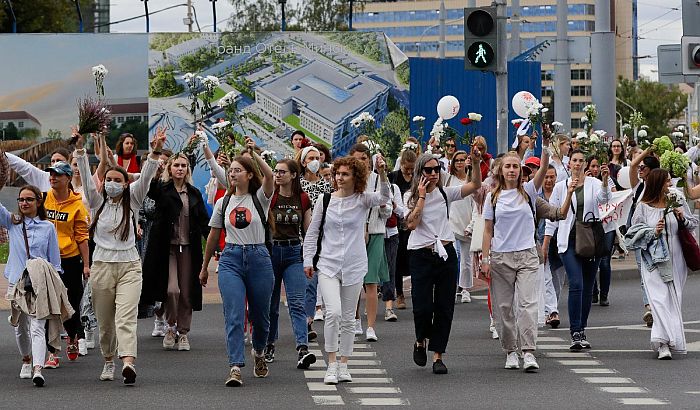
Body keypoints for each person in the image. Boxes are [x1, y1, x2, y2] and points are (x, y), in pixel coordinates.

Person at [74, 130, 164, 384]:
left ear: (125, 184)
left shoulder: (133, 199)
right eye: (108, 178)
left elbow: (146, 177)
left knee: (125, 317)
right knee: (105, 324)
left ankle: (128, 363)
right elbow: (86, 177)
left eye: (118, 179)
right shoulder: (95, 200)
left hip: (129, 267)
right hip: (102, 266)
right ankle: (108, 360)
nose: (112, 182)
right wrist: (81, 150)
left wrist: (155, 152)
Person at [302, 155, 390, 384]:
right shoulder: (325, 200)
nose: (339, 178)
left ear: (356, 177)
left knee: (350, 318)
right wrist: (308, 260)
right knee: (333, 312)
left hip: (354, 265)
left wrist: (381, 173)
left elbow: (384, 197)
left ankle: (343, 363)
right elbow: (312, 232)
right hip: (328, 264)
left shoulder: (362, 199)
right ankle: (331, 363)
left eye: (345, 174)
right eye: (337, 174)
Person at [200, 137, 275, 387]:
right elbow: (213, 236)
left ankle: (260, 352)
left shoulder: (260, 198)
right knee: (234, 314)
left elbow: (270, 176)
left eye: (237, 170)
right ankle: (235, 366)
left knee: (260, 316)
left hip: (259, 258)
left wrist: (254, 155)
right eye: (230, 170)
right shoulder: (224, 202)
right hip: (231, 258)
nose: (232, 174)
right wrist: (204, 267)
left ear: (249, 175)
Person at [404, 150, 482, 374]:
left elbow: (474, 185)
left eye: (437, 169)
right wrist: (421, 197)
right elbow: (411, 224)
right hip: (421, 254)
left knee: (444, 306)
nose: (434, 174)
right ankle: (420, 340)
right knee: (422, 306)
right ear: (420, 172)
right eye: (428, 170)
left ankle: (438, 355)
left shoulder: (447, 193)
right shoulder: (409, 197)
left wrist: (475, 163)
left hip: (446, 253)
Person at [481, 138, 552, 372]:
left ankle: (529, 351)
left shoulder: (529, 191)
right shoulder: (492, 197)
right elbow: (488, 230)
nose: (512, 170)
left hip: (527, 255)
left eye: (516, 166)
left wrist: (546, 145)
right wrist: (485, 258)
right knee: (504, 307)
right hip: (501, 257)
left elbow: (543, 168)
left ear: (521, 170)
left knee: (528, 304)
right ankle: (511, 350)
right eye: (508, 166)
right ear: (501, 171)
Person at [141, 150, 210, 352]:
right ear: (170, 169)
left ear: (188, 169)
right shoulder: (163, 189)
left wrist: (215, 245)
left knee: (187, 292)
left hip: (189, 248)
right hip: (167, 248)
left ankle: (184, 332)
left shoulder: (194, 193)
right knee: (172, 290)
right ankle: (170, 327)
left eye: (183, 166)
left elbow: (204, 222)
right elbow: (150, 191)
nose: (180, 169)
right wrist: (155, 172)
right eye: (176, 165)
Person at [626, 169, 697, 359]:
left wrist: (681, 217)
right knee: (658, 300)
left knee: (673, 299)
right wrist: (653, 231)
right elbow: (634, 233)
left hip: (677, 258)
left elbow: (692, 224)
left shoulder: (677, 199)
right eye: (667, 182)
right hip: (653, 260)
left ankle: (667, 340)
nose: (670, 185)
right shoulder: (643, 206)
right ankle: (663, 343)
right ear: (658, 184)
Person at [545, 149, 611, 350]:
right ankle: (574, 332)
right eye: (574, 160)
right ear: (569, 162)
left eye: (581, 161)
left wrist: (606, 181)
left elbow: (604, 200)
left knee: (588, 286)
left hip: (591, 240)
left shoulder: (594, 184)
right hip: (568, 242)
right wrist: (546, 242)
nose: (578, 164)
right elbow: (553, 215)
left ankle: (582, 329)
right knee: (576, 283)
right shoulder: (560, 187)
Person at [2, 185, 63, 387]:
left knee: (38, 326)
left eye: (29, 199)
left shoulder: (48, 227)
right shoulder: (13, 223)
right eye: (21, 200)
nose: (24, 203)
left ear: (39, 201)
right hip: (17, 282)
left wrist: (57, 286)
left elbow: (55, 261)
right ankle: (26, 359)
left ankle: (38, 368)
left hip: (40, 283)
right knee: (21, 327)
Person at [263, 159, 317, 369]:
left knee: (296, 302)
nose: (278, 175)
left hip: (295, 252)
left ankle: (302, 349)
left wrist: (310, 257)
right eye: (276, 171)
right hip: (271, 252)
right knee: (271, 304)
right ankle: (268, 344)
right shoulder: (270, 197)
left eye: (282, 172)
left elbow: (308, 231)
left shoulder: (302, 199)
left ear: (294, 175)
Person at [348, 143, 391, 341]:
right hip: (353, 236)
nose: (361, 163)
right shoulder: (348, 180)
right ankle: (355, 319)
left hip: (375, 233)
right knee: (354, 281)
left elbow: (387, 212)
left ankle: (371, 326)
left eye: (364, 159)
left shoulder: (379, 180)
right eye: (356, 159)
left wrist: (382, 206)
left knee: (371, 281)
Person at [297, 145, 333, 340]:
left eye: (317, 157)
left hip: (321, 241)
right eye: (310, 158)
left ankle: (308, 321)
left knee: (312, 282)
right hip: (299, 239)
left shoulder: (327, 186)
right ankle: (300, 318)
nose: (314, 161)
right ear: (303, 162)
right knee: (301, 282)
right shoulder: (297, 185)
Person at [628, 148, 660, 327]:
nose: (639, 170)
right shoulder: (638, 187)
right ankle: (649, 307)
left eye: (644, 168)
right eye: (640, 168)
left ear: (651, 171)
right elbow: (632, 165)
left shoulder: (659, 186)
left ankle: (657, 306)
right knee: (644, 272)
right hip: (641, 236)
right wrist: (647, 151)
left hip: (658, 236)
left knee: (657, 271)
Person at [442, 150, 473, 303]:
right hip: (451, 223)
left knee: (466, 260)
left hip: (467, 222)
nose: (460, 163)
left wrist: (472, 224)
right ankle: (451, 288)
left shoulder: (471, 180)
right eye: (457, 160)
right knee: (452, 257)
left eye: (462, 160)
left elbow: (475, 202)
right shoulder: (448, 179)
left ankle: (465, 288)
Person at [586, 156, 617, 306]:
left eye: (597, 166)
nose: (595, 169)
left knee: (604, 262)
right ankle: (593, 292)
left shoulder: (607, 180)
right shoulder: (583, 181)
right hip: (590, 226)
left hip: (607, 226)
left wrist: (605, 180)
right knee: (590, 259)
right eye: (592, 166)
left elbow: (612, 197)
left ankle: (604, 294)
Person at [388, 149, 417, 309]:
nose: (410, 171)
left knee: (413, 257)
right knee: (397, 259)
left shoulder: (417, 178)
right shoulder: (394, 177)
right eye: (407, 168)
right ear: (402, 164)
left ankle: (415, 290)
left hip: (413, 222)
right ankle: (399, 293)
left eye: (412, 169)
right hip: (398, 223)